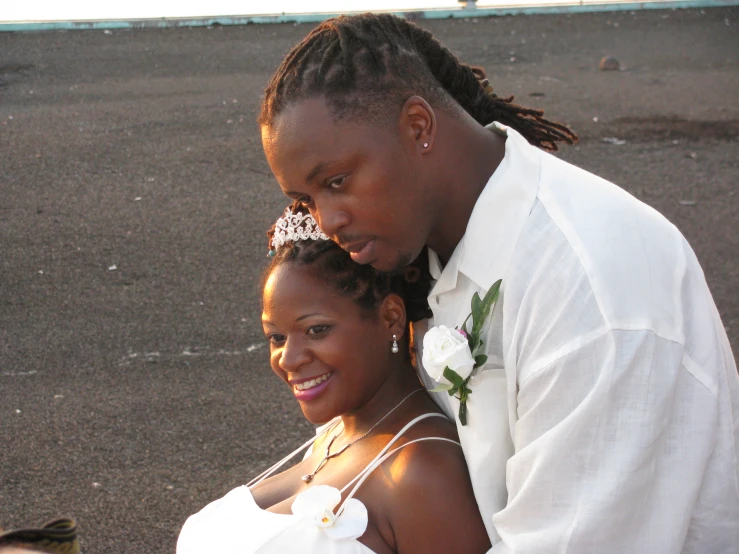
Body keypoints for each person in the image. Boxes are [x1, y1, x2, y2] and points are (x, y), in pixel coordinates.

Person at [257, 12, 739, 553]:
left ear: (418, 127)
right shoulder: (425, 253)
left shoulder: (589, 287)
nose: (326, 220)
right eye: (307, 200)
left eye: (337, 182)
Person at [177, 207, 492, 553]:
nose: (289, 358)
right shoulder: (334, 436)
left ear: (391, 318)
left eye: (316, 330)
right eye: (276, 337)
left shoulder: (423, 472)